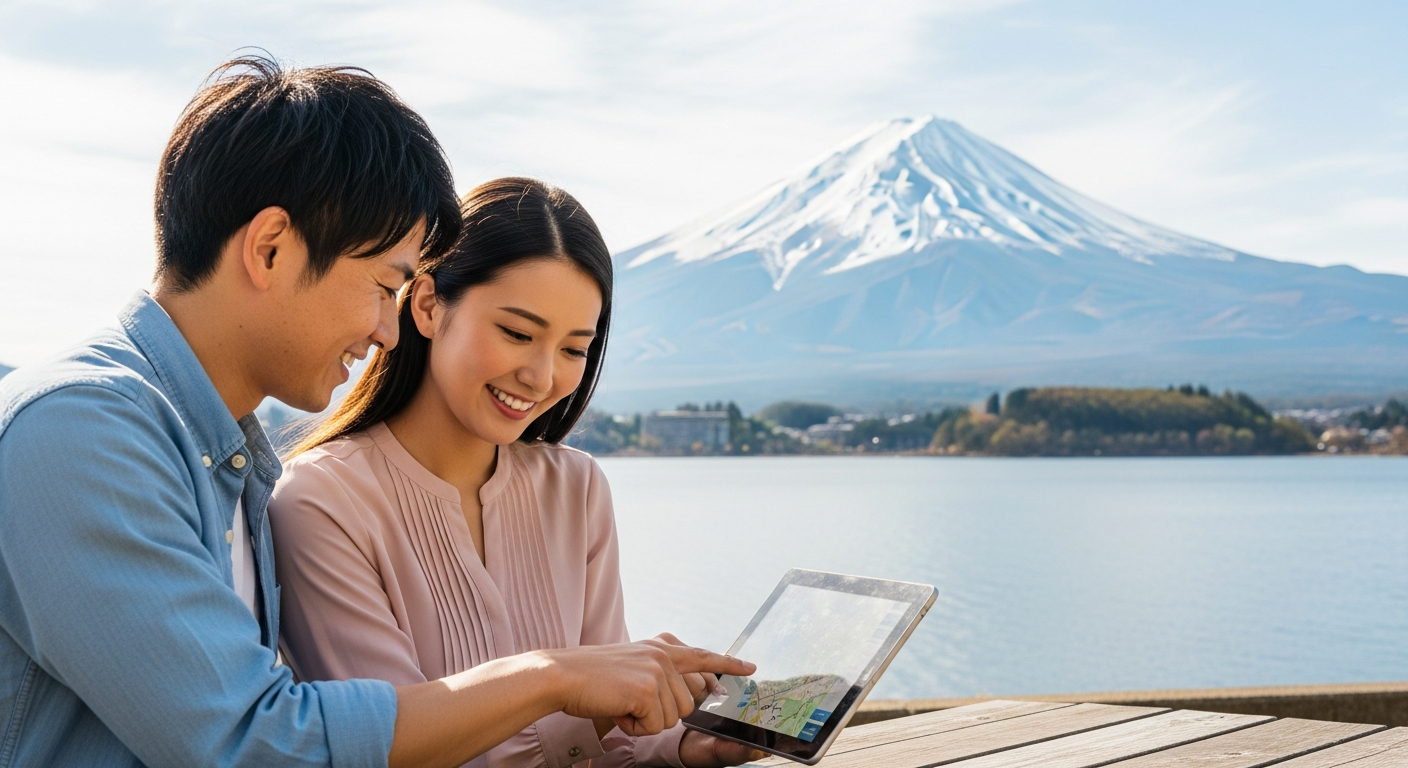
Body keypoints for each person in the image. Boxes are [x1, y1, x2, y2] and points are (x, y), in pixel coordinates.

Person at [0, 56, 752, 768]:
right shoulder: (83, 430)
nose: (388, 331)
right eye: (384, 285)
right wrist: (552, 675)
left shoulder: (221, 451)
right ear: (269, 250)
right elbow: (250, 742)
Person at [269, 177, 762, 768]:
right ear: (427, 305)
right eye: (517, 333)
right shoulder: (322, 500)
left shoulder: (575, 488)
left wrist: (685, 743)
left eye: (574, 350)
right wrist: (556, 679)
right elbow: (391, 748)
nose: (541, 376)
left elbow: (611, 731)